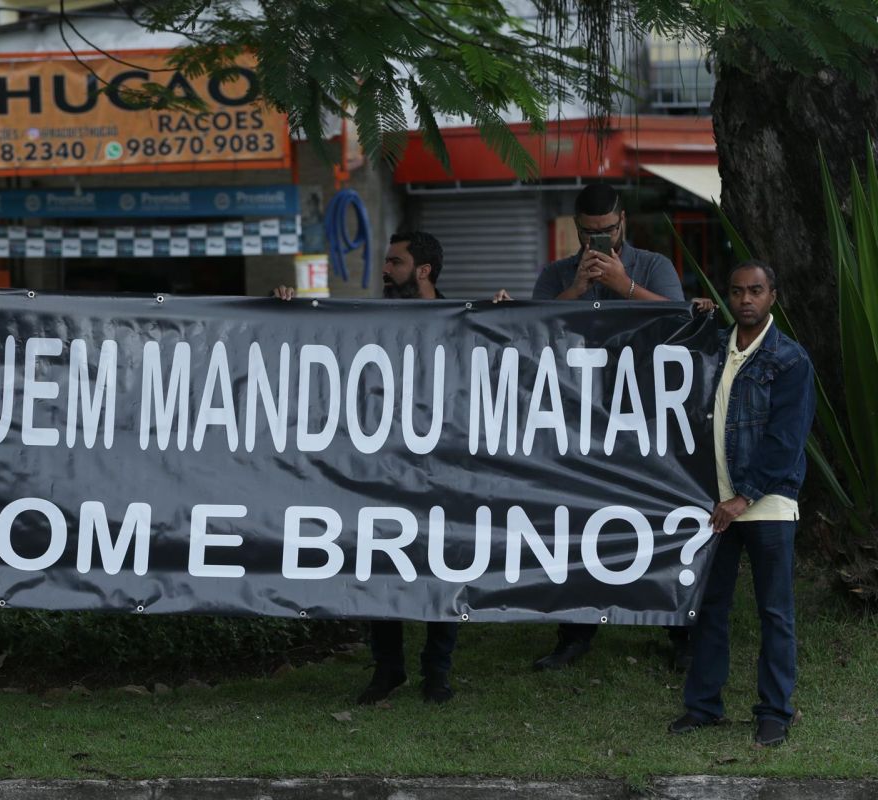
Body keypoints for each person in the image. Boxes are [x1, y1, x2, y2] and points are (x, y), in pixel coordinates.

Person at [493, 183, 691, 671]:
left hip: (642, 411)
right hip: (577, 415)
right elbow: (534, 333)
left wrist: (623, 285)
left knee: (657, 515)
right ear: (576, 229)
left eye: (606, 231)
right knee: (576, 521)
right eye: (588, 233)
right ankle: (575, 632)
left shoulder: (653, 267)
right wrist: (575, 292)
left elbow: (678, 322)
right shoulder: (557, 274)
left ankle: (679, 631)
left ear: (623, 221)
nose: (598, 241)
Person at [275, 231, 460, 704]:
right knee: (380, 563)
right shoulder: (369, 318)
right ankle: (389, 667)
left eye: (396, 262)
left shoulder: (463, 320)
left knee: (442, 565)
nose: (385, 270)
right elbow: (323, 343)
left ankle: (437, 671)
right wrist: (289, 309)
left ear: (423, 271)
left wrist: (506, 310)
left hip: (440, 465)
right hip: (381, 466)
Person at [670, 261, 814, 747]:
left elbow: (786, 442)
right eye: (736, 292)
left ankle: (775, 712)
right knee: (710, 607)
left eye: (756, 291)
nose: (746, 300)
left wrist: (743, 496)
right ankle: (703, 706)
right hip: (715, 505)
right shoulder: (713, 347)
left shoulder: (789, 359)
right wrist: (692, 313)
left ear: (773, 295)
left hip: (767, 505)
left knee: (775, 611)